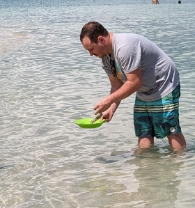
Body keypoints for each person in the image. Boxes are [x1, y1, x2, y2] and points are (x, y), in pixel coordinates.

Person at [80, 21, 186, 152]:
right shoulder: (104, 58)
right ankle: (145, 166)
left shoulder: (124, 47)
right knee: (143, 131)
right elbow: (116, 85)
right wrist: (112, 108)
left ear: (101, 40)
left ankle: (182, 163)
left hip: (164, 84)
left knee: (171, 130)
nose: (90, 54)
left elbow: (135, 82)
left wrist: (108, 101)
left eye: (91, 49)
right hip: (144, 89)